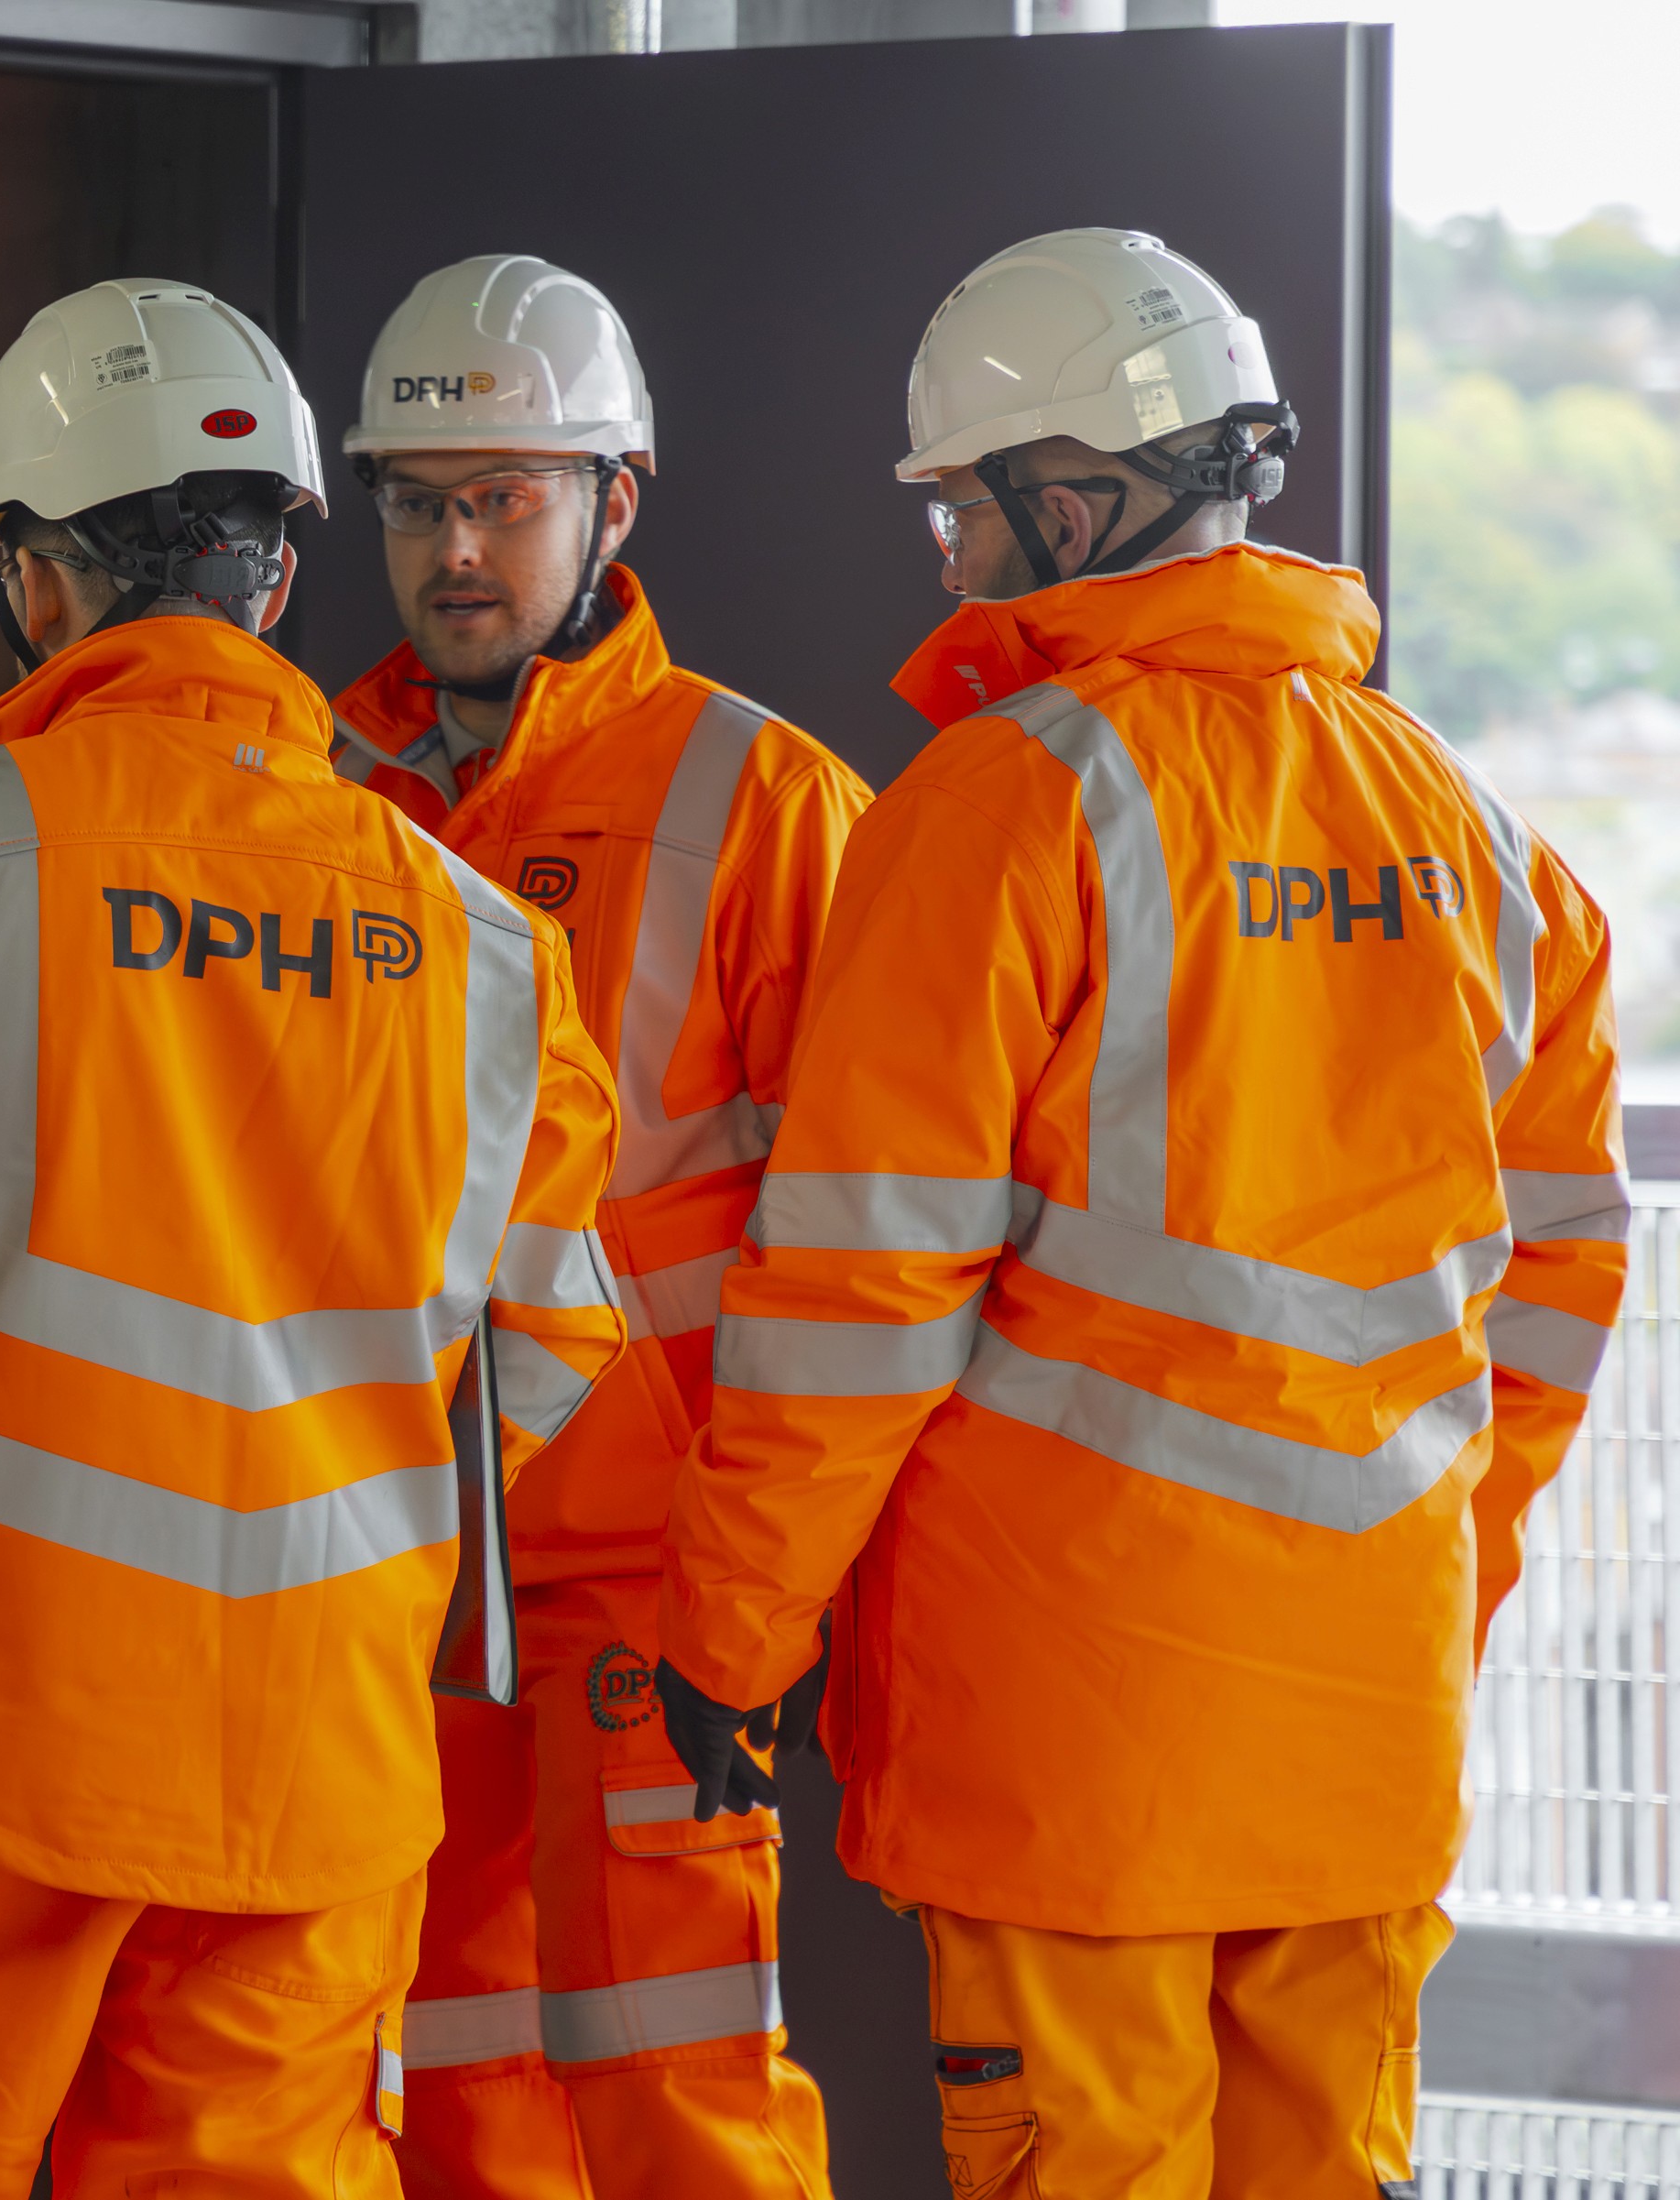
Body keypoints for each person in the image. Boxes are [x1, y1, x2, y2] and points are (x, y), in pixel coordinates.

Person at [656, 226, 1629, 2198]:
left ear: (1077, 498)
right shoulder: (1471, 831)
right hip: (1365, 1730)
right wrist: (1430, 1580)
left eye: (965, 512)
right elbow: (1563, 1277)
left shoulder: (1003, 803)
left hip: (1073, 1750)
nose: (950, 559)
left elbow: (859, 1291)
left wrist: (734, 1634)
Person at [0, 277, 631, 2198]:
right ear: (273, 579)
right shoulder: (487, 947)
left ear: (35, 576)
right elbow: (551, 1340)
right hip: (308, 1772)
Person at [329, 254, 862, 2200]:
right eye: (414, 501)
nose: (456, 547)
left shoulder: (764, 801)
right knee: (438, 2086)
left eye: (506, 496)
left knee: (679, 2091)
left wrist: (786, 1585)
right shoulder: (320, 800)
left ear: (612, 503)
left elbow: (880, 1247)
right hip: (386, 1578)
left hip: (649, 1584)